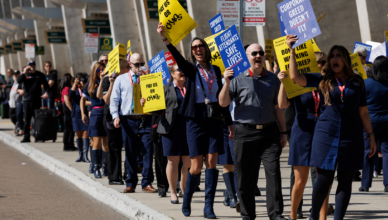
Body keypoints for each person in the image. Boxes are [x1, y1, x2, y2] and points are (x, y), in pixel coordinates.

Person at [286, 35, 376, 220]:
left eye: (338, 55)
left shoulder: (358, 82)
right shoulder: (322, 80)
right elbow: (295, 77)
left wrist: (371, 136)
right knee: (323, 180)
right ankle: (314, 216)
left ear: (345, 59)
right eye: (332, 56)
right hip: (325, 135)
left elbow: (364, 112)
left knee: (345, 181)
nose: (334, 58)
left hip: (351, 138)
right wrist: (292, 51)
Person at [157, 23, 231, 219]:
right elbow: (178, 59)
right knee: (196, 165)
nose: (198, 49)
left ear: (206, 49)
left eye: (201, 46)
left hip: (214, 117)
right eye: (194, 47)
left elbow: (223, 97)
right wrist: (166, 40)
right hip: (195, 120)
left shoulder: (215, 69)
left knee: (212, 163)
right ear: (192, 52)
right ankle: (187, 198)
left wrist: (229, 122)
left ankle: (209, 207)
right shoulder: (190, 69)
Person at [219, 43, 287, 220]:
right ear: (247, 57)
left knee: (273, 173)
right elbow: (223, 103)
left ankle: (276, 214)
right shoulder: (236, 78)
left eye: (261, 53)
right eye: (254, 53)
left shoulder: (272, 79)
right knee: (245, 177)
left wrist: (283, 132)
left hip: (269, 133)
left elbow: (278, 108)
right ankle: (248, 215)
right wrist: (226, 82)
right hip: (244, 133)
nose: (258, 56)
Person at [140, 64, 192, 204]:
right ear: (172, 74)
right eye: (178, 70)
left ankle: (184, 186)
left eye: (182, 70)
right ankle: (173, 192)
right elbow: (156, 110)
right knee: (172, 161)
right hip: (170, 129)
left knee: (188, 162)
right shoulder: (165, 88)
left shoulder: (192, 87)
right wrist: (145, 104)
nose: (181, 72)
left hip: (189, 128)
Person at [110, 53, 158, 194]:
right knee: (130, 152)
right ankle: (130, 183)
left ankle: (147, 182)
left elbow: (156, 96)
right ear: (129, 64)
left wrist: (148, 79)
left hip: (146, 118)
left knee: (148, 151)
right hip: (128, 119)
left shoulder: (148, 77)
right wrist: (115, 116)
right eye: (136, 64)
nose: (139, 67)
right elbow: (114, 99)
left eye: (141, 64)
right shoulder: (121, 79)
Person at [359, 56, 388, 193]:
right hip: (387, 121)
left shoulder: (366, 84)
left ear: (374, 67)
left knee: (368, 152)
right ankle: (387, 184)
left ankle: (365, 184)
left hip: (370, 122)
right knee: (387, 152)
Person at [97, 59, 128, 184]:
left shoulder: (129, 79)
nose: (130, 69)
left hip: (126, 115)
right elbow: (106, 100)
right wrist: (112, 83)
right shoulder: (107, 79)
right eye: (127, 67)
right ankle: (114, 177)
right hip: (111, 116)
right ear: (120, 69)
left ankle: (128, 174)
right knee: (114, 146)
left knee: (129, 146)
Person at [80, 62, 108, 178]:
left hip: (106, 112)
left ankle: (106, 167)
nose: (101, 72)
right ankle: (96, 167)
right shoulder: (90, 84)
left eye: (103, 69)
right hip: (95, 113)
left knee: (106, 142)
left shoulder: (107, 81)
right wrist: (83, 113)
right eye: (98, 70)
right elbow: (83, 99)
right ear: (94, 71)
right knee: (96, 142)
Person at [17, 60, 49, 143]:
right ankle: (26, 137)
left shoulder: (40, 74)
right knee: (27, 120)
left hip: (36, 100)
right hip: (27, 100)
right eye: (30, 65)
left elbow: (46, 85)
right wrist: (24, 72)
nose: (32, 66)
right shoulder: (25, 75)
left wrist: (46, 92)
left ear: (35, 65)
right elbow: (18, 81)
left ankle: (39, 136)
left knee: (37, 119)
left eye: (33, 65)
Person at [69, 73, 90, 162]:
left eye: (83, 80)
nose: (81, 82)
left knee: (86, 133)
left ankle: (85, 155)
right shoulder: (76, 89)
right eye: (80, 80)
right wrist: (75, 83)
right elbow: (70, 95)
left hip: (86, 112)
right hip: (76, 113)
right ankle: (80, 154)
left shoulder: (87, 88)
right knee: (78, 134)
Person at [60, 73, 76, 151]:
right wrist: (72, 110)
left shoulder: (65, 88)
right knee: (68, 127)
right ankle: (68, 144)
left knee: (69, 127)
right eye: (72, 80)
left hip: (67, 108)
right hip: (67, 108)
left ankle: (70, 144)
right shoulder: (66, 88)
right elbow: (66, 100)